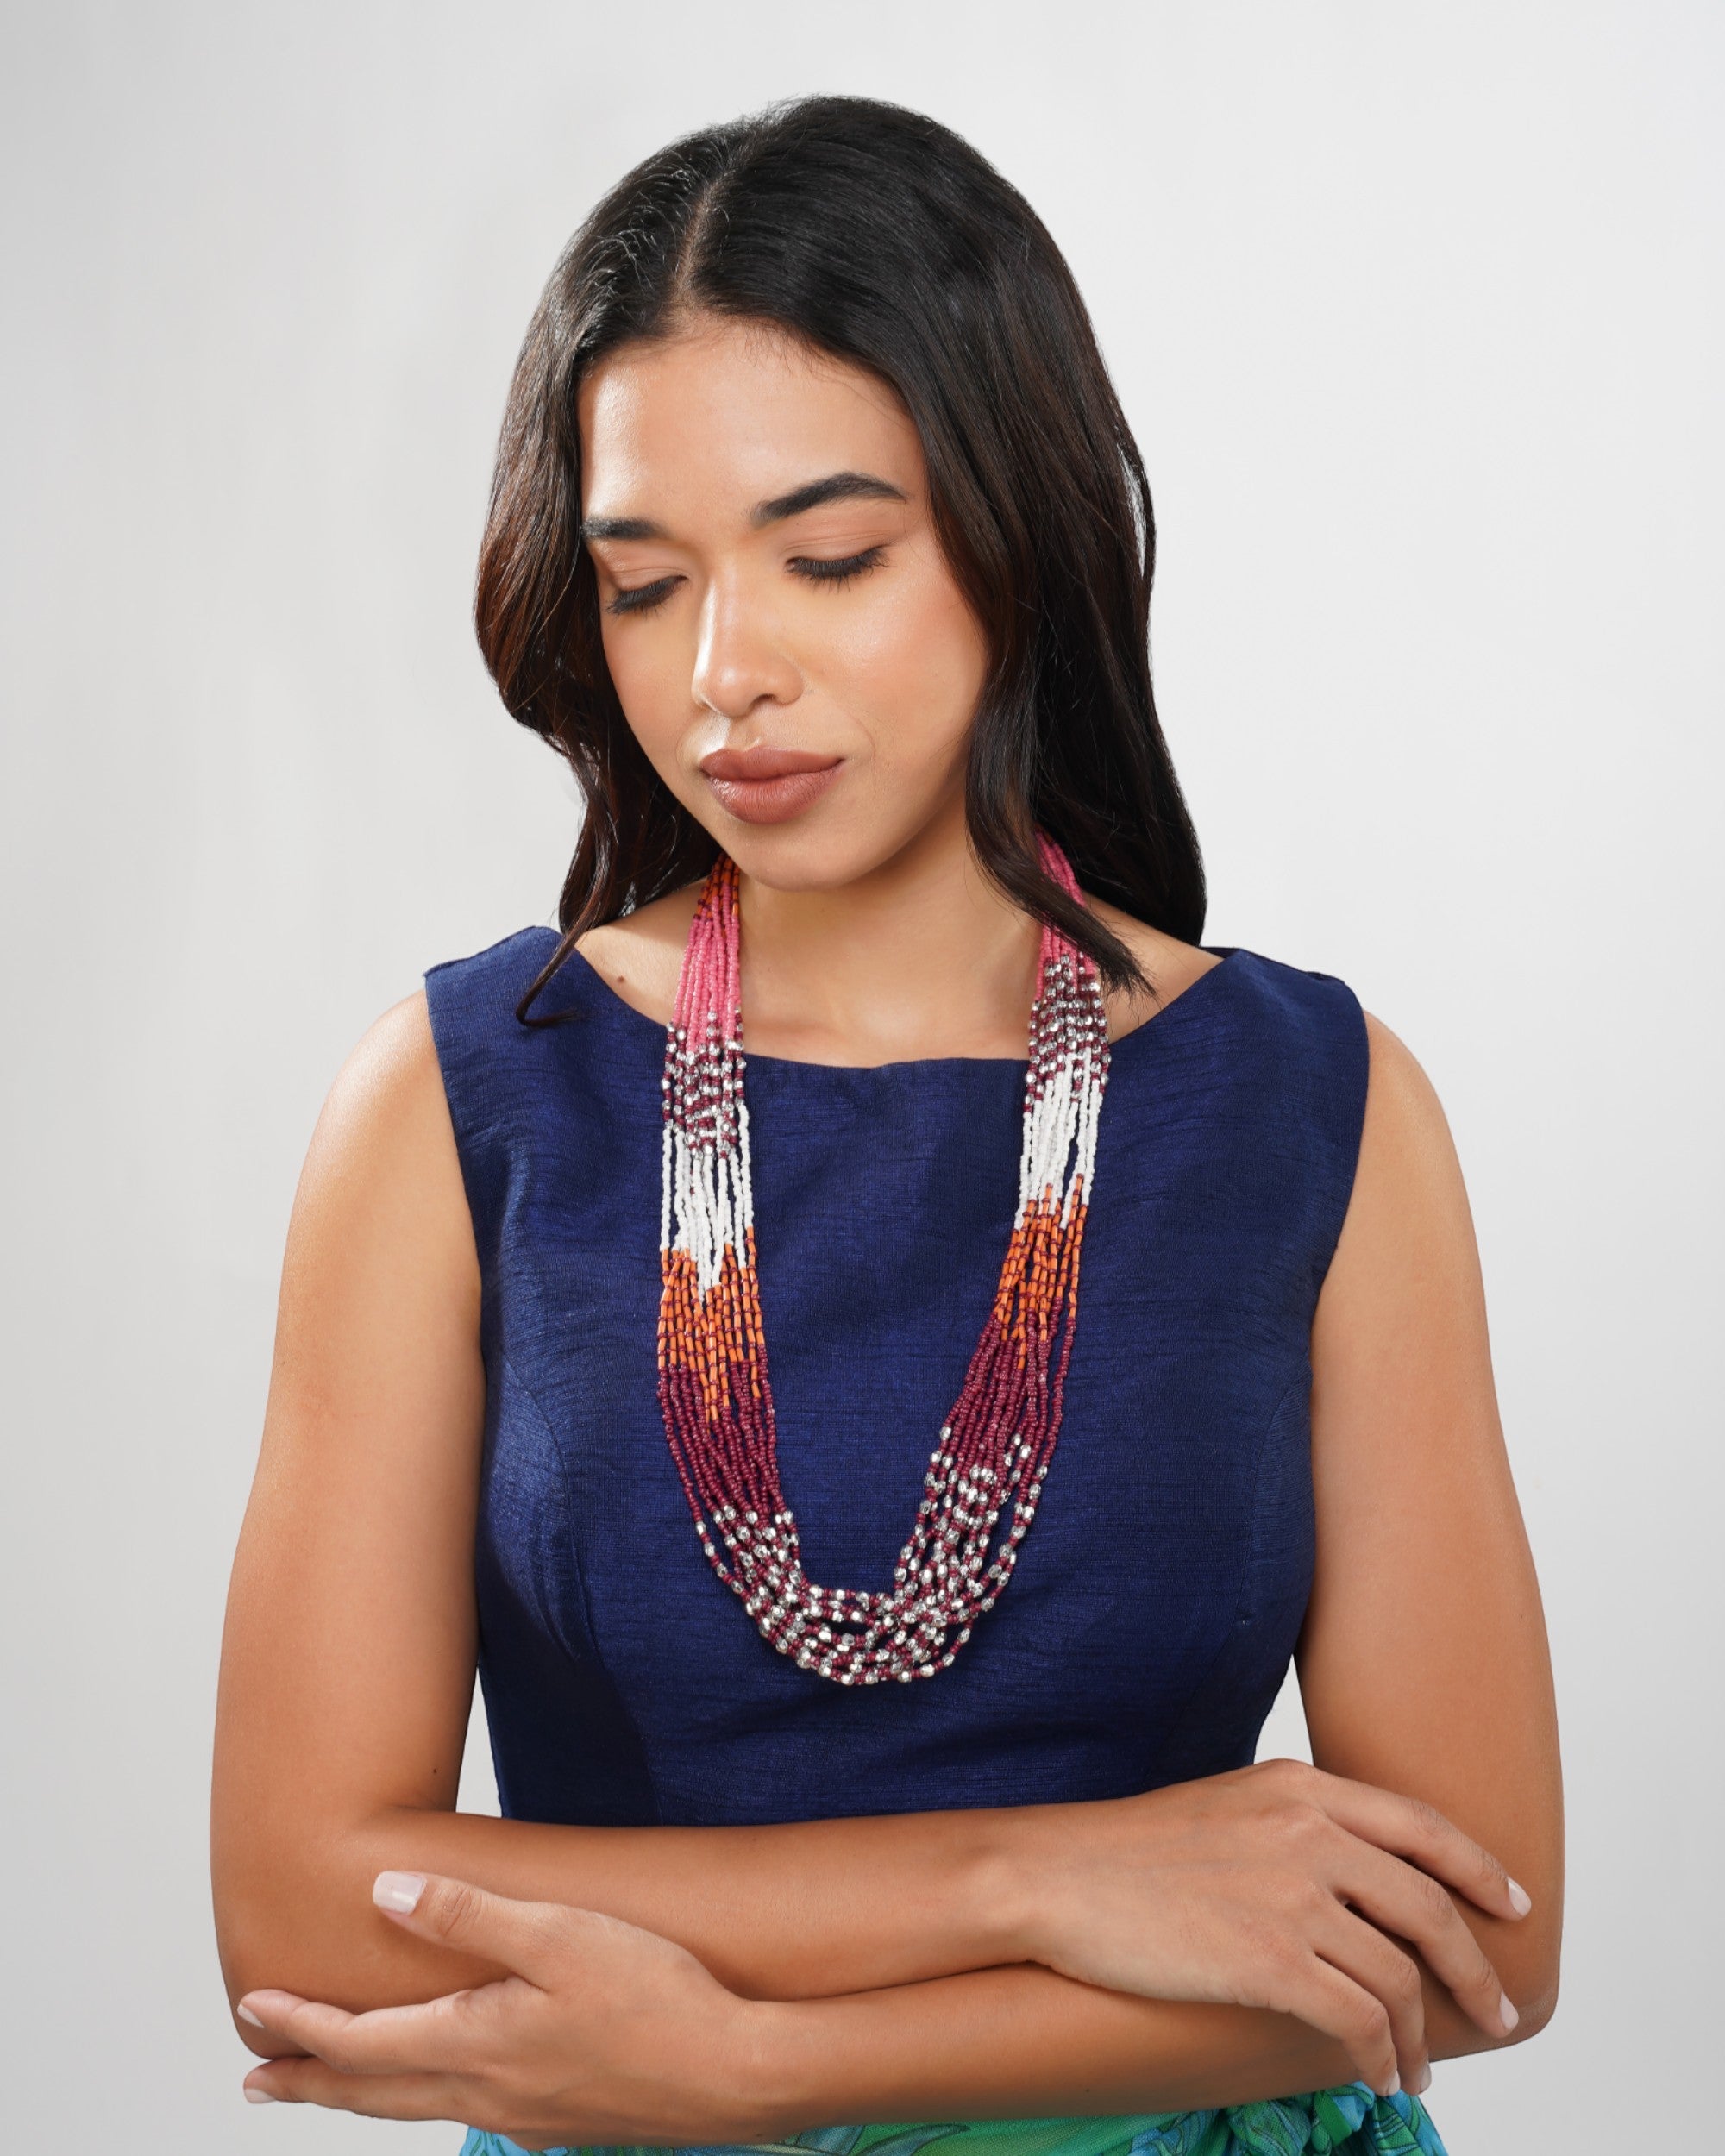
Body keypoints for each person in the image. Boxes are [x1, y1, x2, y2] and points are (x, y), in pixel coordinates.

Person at [210, 92, 1563, 2156]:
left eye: (829, 557)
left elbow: (1472, 1938)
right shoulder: (459, 1099)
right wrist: (1034, 1874)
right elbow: (307, 1910)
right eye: (644, 585)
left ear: (1018, 531)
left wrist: (761, 2065)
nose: (724, 673)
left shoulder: (1315, 1102)